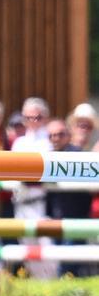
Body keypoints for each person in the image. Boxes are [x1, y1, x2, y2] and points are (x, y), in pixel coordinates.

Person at [45, 118, 96, 276]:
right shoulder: (47, 157)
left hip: (76, 216)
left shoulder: (79, 155)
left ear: (68, 135)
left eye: (60, 134)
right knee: (59, 260)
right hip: (55, 216)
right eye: (51, 135)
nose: (56, 138)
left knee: (70, 263)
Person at [9, 97, 54, 277]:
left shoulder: (49, 142)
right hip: (20, 203)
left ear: (45, 118)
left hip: (41, 203)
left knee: (47, 251)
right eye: (28, 117)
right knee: (27, 251)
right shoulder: (18, 143)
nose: (33, 121)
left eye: (38, 117)